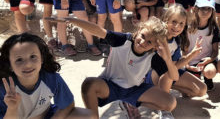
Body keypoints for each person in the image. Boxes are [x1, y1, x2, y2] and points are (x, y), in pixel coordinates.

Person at [45, 16, 177, 119]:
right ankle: (93, 117)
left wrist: (167, 58)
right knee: (89, 84)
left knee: (169, 103)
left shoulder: (153, 56)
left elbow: (174, 76)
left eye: (149, 42)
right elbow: (97, 30)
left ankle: (129, 103)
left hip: (134, 89)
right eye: (142, 36)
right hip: (110, 86)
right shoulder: (122, 40)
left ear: (155, 46)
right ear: (139, 31)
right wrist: (72, 20)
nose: (143, 42)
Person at [0, 33, 93, 118]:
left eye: (33, 56)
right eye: (19, 60)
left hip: (46, 116)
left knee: (87, 115)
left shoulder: (51, 78)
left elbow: (68, 105)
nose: (28, 64)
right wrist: (12, 108)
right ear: (9, 65)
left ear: (42, 58)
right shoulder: (4, 88)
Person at [147, 4, 207, 99]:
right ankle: (162, 100)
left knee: (201, 89)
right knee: (170, 76)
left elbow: (175, 66)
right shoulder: (157, 35)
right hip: (152, 75)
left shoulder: (176, 40)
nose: (177, 26)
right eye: (174, 22)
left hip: (169, 73)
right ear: (166, 20)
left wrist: (192, 54)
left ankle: (168, 88)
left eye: (181, 23)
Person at [185, 0, 220, 91]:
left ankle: (207, 77)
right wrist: (186, 64)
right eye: (202, 8)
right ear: (196, 9)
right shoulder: (187, 26)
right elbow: (184, 48)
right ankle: (195, 74)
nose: (205, 11)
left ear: (212, 11)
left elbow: (215, 50)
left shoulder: (214, 28)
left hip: (207, 61)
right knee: (191, 90)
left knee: (210, 72)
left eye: (209, 9)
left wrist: (210, 59)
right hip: (191, 60)